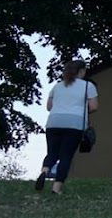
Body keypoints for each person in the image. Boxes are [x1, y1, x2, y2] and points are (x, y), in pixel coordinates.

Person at [35, 59, 98, 194]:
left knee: (52, 153)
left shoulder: (57, 86)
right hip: (74, 124)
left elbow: (49, 107)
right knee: (66, 156)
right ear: (81, 71)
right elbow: (93, 107)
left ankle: (45, 171)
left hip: (54, 122)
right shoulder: (88, 86)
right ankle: (56, 188)